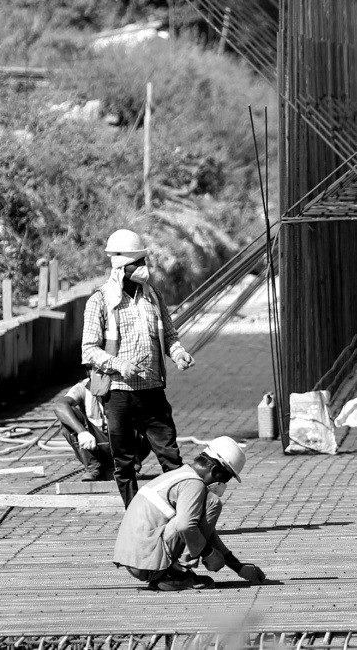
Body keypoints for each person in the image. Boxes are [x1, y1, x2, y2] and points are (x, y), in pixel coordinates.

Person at [81, 228, 196, 508]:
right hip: (118, 393)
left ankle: (180, 511)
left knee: (170, 456)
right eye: (137, 263)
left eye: (144, 261)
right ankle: (134, 515)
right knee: (124, 462)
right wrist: (118, 364)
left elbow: (170, 335)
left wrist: (178, 353)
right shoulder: (100, 301)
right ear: (121, 265)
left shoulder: (153, 296)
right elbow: (89, 350)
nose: (144, 267)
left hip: (152, 390)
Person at [113, 436, 267, 591]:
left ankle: (169, 575)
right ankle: (176, 575)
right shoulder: (194, 484)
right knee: (212, 502)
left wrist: (237, 566)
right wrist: (209, 554)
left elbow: (203, 532)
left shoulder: (181, 474)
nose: (223, 485)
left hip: (136, 558)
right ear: (214, 471)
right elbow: (185, 526)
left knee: (195, 518)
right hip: (146, 559)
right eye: (225, 479)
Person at [53, 378, 153, 481]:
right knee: (67, 421)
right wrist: (82, 432)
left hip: (128, 442)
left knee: (149, 417)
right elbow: (60, 406)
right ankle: (94, 467)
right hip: (99, 444)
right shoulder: (84, 387)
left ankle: (128, 468)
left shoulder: (127, 383)